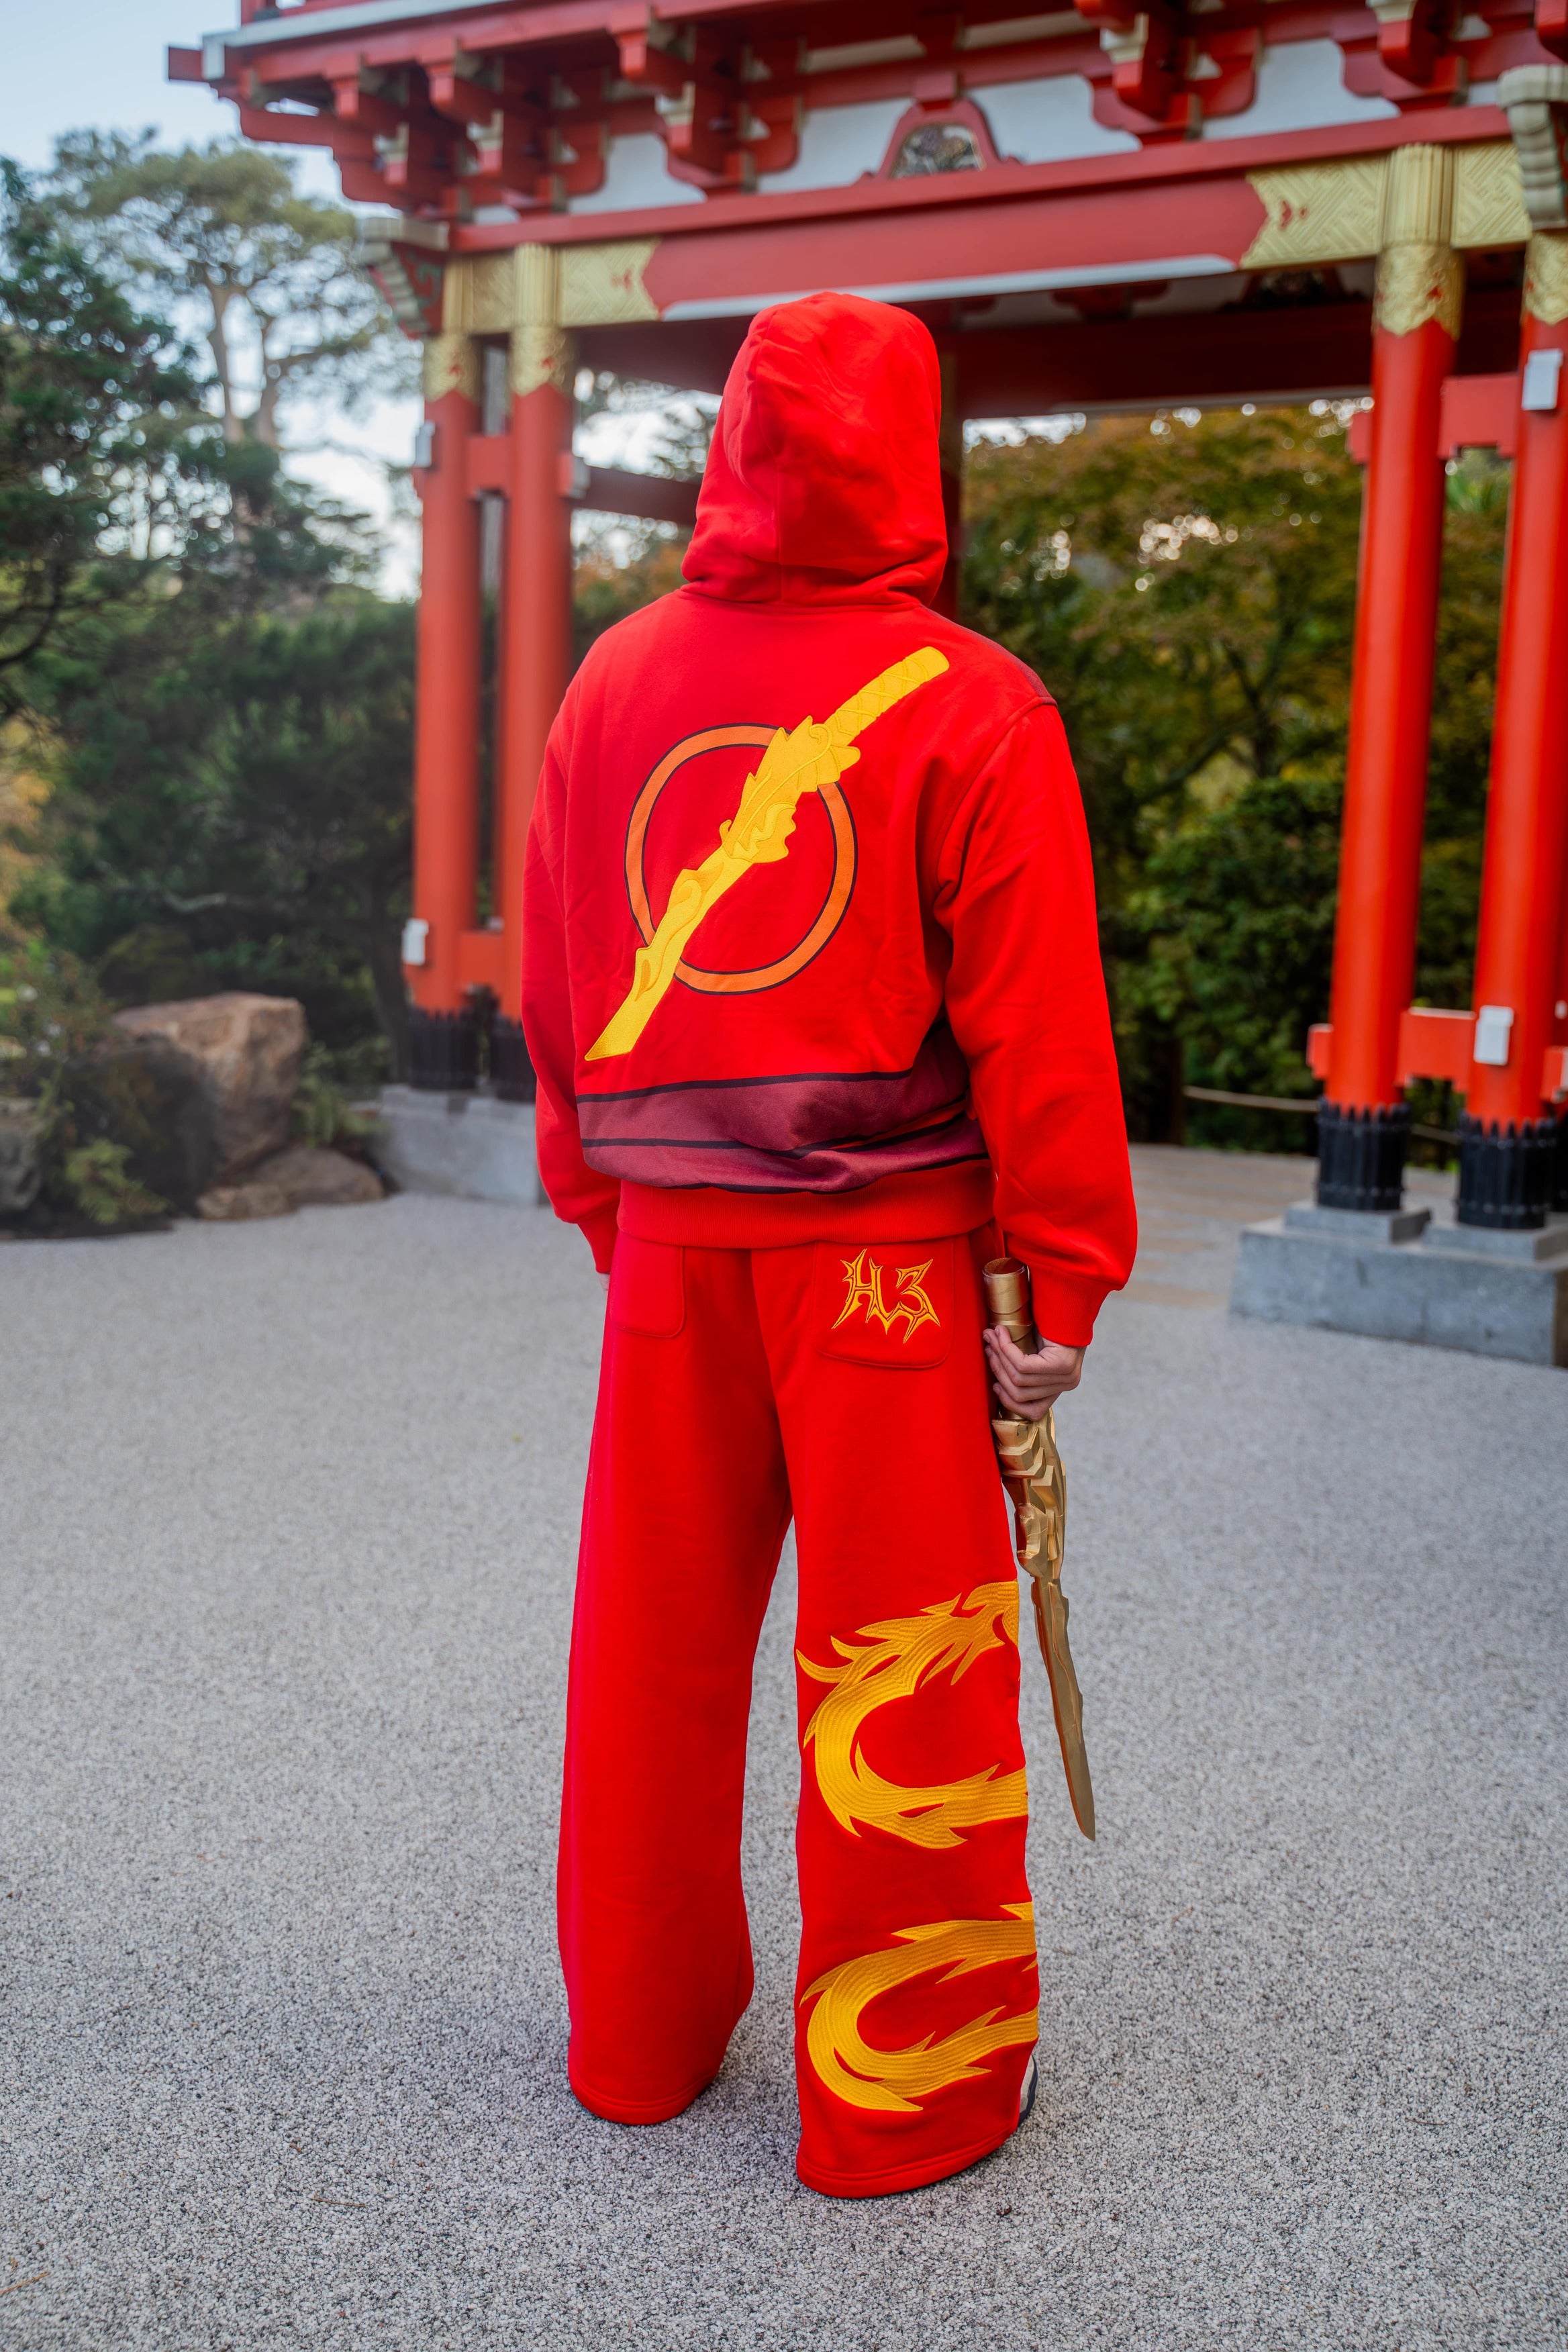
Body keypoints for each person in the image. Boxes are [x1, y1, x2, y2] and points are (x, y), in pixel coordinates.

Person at [521, 290, 1136, 2200]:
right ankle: (903, 2098)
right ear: (911, 454)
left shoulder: (614, 680)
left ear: (735, 444)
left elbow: (560, 982)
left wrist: (607, 1206)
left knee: (651, 1655)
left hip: (672, 1253)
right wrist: (1063, 1275)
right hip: (892, 1261)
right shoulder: (975, 699)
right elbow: (1040, 1028)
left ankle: (636, 2043)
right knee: (903, 1663)